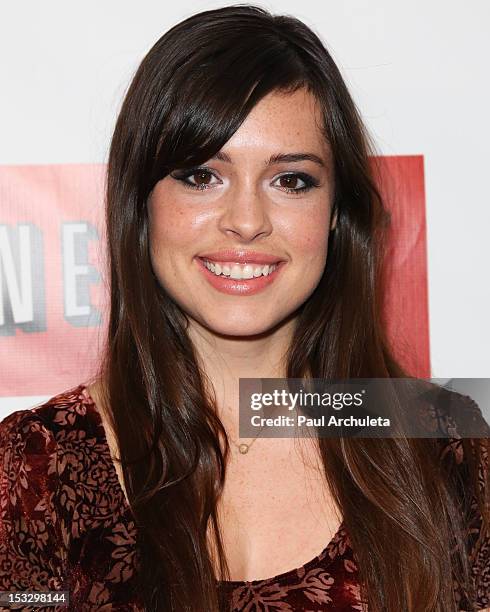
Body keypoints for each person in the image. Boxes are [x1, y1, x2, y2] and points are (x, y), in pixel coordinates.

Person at [0, 4, 489, 611]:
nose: (247, 222)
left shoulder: (446, 440)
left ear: (337, 215)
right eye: (202, 175)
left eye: (291, 181)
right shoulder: (36, 467)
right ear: (141, 203)